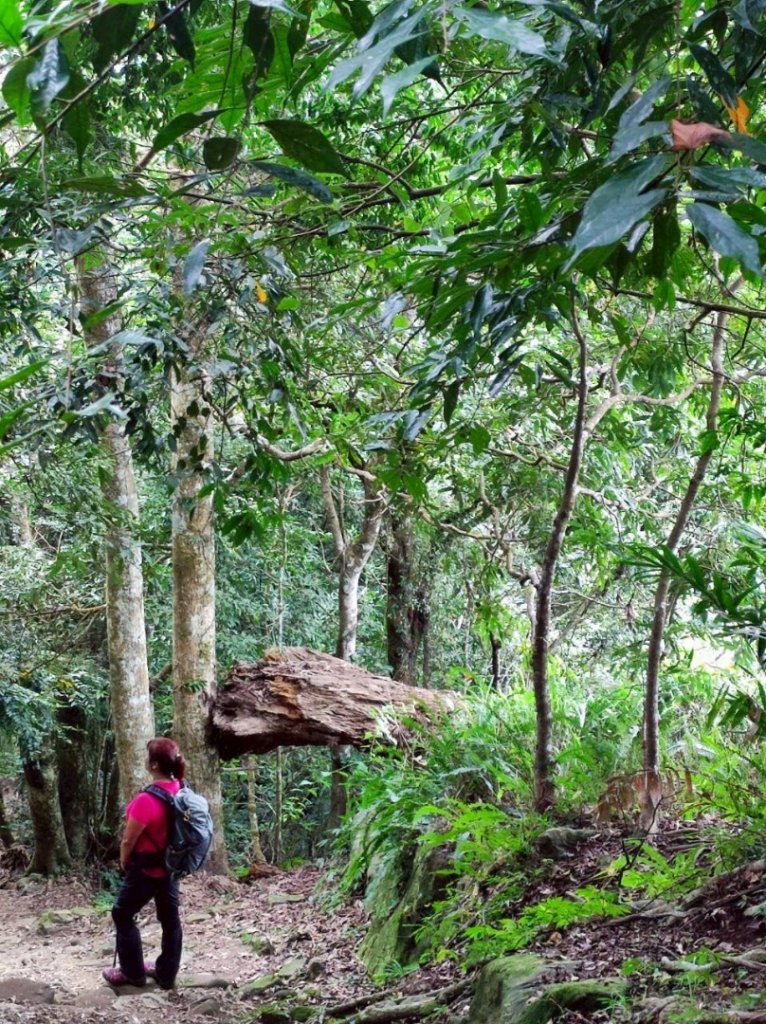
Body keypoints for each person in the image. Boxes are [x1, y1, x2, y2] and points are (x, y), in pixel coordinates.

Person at [102, 737, 185, 989]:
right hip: (171, 868)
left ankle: (132, 973)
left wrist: (124, 860)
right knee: (170, 920)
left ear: (154, 764)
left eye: (148, 756)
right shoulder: (180, 789)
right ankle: (166, 975)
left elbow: (129, 839)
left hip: (147, 869)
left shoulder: (146, 800)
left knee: (122, 913)